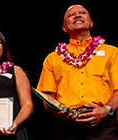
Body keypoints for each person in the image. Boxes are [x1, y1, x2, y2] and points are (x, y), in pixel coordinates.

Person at [37, 4, 118, 139]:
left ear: (91, 23)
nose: (78, 15)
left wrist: (105, 110)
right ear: (64, 28)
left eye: (82, 13)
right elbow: (47, 97)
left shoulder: (112, 52)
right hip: (65, 126)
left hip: (103, 123)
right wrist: (60, 113)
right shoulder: (52, 58)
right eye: (71, 15)